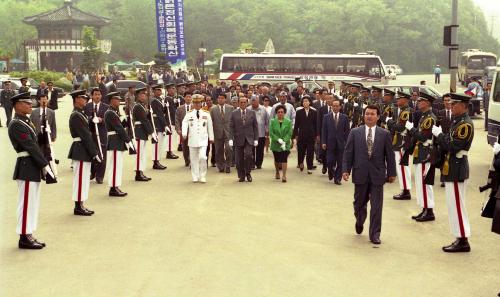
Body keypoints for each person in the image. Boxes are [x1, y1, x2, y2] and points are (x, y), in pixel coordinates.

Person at [342, 105, 397, 245]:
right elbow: (348, 153)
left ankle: (375, 234)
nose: (369, 116)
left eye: (372, 114)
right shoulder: (355, 132)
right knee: (359, 204)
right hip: (360, 173)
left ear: (378, 117)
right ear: (363, 116)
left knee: (377, 206)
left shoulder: (384, 134)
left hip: (378, 175)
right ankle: (360, 220)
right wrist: (345, 170)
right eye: (367, 114)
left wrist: (391, 173)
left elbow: (390, 156)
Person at [8, 92, 54, 249]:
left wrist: (44, 134)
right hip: (27, 166)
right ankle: (23, 236)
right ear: (18, 105)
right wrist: (45, 166)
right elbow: (30, 146)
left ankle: (28, 233)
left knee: (32, 202)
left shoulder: (26, 121)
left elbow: (35, 141)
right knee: (26, 202)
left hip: (32, 165)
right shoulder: (16, 124)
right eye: (26, 103)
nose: (30, 105)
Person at [432, 93, 474, 253]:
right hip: (452, 166)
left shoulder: (465, 125)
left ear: (463, 106)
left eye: (454, 104)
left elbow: (453, 146)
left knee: (457, 204)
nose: (451, 106)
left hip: (457, 167)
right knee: (453, 204)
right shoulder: (457, 122)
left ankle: (463, 239)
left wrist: (439, 135)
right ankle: (459, 236)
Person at [405, 93, 437, 222]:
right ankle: (424, 208)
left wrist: (411, 129)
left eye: (421, 101)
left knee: (424, 184)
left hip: (425, 153)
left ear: (428, 103)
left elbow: (423, 137)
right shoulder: (424, 116)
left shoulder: (429, 118)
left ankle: (429, 211)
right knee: (420, 183)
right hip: (421, 152)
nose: (418, 102)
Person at [68, 90, 99, 216]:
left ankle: (81, 204)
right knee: (80, 179)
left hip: (83, 149)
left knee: (84, 179)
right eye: (83, 98)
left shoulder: (81, 113)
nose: (86, 99)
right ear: (76, 100)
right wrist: (94, 153)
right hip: (80, 149)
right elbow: (85, 136)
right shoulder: (76, 115)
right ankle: (78, 206)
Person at [104, 92, 134, 197]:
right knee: (115, 166)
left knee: (117, 166)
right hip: (115, 141)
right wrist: (128, 140)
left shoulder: (114, 112)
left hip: (117, 141)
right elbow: (119, 128)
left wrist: (126, 119)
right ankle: (113, 187)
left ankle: (115, 186)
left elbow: (121, 125)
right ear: (112, 100)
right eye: (117, 99)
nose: (119, 101)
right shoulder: (110, 113)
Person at [386, 92, 413, 200]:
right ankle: (405, 189)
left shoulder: (406, 112)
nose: (397, 100)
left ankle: (406, 191)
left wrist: (389, 121)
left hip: (402, 142)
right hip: (399, 142)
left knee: (402, 167)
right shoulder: (402, 111)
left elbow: (400, 128)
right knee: (401, 167)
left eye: (399, 99)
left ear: (405, 100)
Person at [182, 94, 214, 183]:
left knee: (203, 157)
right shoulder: (189, 114)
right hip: (192, 139)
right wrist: (184, 133)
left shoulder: (206, 114)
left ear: (201, 103)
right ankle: (195, 176)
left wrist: (211, 137)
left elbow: (210, 126)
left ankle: (202, 175)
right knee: (193, 159)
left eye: (198, 103)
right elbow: (184, 123)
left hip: (203, 139)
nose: (197, 104)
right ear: (193, 103)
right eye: (195, 103)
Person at [229, 96, 259, 182]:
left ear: (247, 103)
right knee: (239, 158)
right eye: (241, 102)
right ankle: (241, 175)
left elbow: (255, 127)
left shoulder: (252, 113)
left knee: (249, 155)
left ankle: (248, 173)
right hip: (238, 138)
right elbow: (231, 127)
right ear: (238, 103)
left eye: (244, 102)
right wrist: (231, 138)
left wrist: (256, 139)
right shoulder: (234, 113)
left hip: (249, 138)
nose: (242, 104)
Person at [322, 97, 350, 184]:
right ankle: (331, 171)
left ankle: (337, 178)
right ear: (331, 107)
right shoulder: (326, 117)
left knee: (340, 162)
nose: (335, 107)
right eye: (334, 106)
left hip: (341, 143)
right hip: (330, 143)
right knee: (330, 161)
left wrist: (347, 143)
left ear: (340, 107)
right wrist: (323, 142)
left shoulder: (345, 118)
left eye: (337, 106)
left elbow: (347, 131)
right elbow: (324, 130)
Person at [84, 88, 109, 184]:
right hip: (91, 134)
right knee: (91, 154)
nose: (97, 96)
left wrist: (101, 120)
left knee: (102, 154)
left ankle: (100, 176)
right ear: (92, 96)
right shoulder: (87, 106)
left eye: (99, 94)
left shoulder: (106, 107)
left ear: (101, 96)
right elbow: (84, 119)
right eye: (95, 94)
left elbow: (109, 120)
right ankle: (92, 172)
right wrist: (91, 119)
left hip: (102, 134)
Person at [30, 93, 58, 176]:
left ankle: (48, 171)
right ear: (39, 101)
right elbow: (31, 124)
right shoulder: (34, 112)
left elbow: (53, 124)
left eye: (45, 99)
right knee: (39, 152)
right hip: (37, 136)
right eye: (42, 99)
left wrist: (53, 135)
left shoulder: (51, 112)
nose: (44, 101)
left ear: (47, 100)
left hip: (47, 137)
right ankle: (40, 170)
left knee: (48, 153)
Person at [133, 87, 154, 181]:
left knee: (142, 153)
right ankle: (138, 173)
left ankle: (141, 171)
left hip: (142, 132)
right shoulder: (138, 106)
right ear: (138, 96)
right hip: (139, 132)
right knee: (139, 154)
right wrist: (151, 132)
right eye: (142, 94)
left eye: (145, 94)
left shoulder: (141, 106)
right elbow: (144, 120)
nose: (144, 96)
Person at [210, 93, 234, 173]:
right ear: (217, 99)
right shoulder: (213, 109)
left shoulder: (230, 108)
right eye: (219, 98)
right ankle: (221, 166)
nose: (220, 99)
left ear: (225, 99)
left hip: (228, 132)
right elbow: (211, 122)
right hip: (217, 132)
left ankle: (228, 165)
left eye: (222, 98)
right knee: (218, 150)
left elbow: (233, 121)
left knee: (229, 149)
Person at [293, 96, 317, 174]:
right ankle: (301, 163)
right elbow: (296, 124)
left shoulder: (314, 112)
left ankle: (309, 167)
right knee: (301, 151)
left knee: (310, 152)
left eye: (306, 101)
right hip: (302, 135)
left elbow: (316, 124)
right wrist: (295, 135)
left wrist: (316, 135)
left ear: (309, 102)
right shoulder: (299, 112)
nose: (305, 103)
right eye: (303, 101)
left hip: (311, 135)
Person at [270, 105, 293, 182]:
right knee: (276, 160)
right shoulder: (273, 121)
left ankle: (284, 175)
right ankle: (277, 172)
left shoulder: (288, 121)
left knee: (284, 159)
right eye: (278, 112)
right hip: (275, 144)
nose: (280, 113)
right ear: (276, 113)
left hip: (285, 144)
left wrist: (284, 141)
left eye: (282, 112)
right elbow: (271, 133)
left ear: (284, 113)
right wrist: (278, 139)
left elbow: (289, 133)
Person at [247, 95, 269, 169]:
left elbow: (267, 121)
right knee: (251, 150)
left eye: (255, 100)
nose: (253, 102)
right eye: (252, 101)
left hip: (261, 133)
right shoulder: (248, 109)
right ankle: (252, 164)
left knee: (260, 150)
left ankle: (259, 164)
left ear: (258, 101)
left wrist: (267, 130)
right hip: (250, 134)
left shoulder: (263, 109)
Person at [149, 84, 168, 170]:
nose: (159, 91)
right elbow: (160, 114)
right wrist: (165, 125)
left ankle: (157, 160)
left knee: (159, 144)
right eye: (157, 90)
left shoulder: (160, 99)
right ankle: (155, 162)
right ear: (153, 91)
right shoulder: (154, 101)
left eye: (160, 90)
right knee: (156, 144)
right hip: (156, 123)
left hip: (159, 123)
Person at [437, 93, 453, 187]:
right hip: (442, 140)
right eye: (445, 100)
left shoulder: (455, 113)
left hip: (451, 141)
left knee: (451, 159)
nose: (447, 102)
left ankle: (450, 176)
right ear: (443, 102)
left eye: (449, 100)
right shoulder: (440, 113)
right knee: (442, 159)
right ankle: (443, 178)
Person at [317, 94, 334, 174]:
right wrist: (318, 134)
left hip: (333, 134)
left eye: (330, 98)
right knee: (324, 151)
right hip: (324, 134)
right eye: (327, 99)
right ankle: (324, 165)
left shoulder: (337, 108)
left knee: (333, 151)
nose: (329, 100)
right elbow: (319, 122)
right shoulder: (321, 109)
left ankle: (332, 167)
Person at [175, 92, 193, 166]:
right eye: (187, 97)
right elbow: (177, 120)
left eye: (190, 97)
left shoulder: (194, 107)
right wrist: (178, 129)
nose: (188, 98)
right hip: (183, 130)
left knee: (192, 146)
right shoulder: (179, 108)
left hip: (193, 130)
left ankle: (192, 160)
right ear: (184, 98)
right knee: (185, 147)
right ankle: (187, 160)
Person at [163, 83, 179, 160]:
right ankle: (169, 152)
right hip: (170, 119)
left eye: (174, 88)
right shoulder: (168, 98)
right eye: (171, 89)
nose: (173, 90)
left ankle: (170, 151)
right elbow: (170, 111)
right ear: (168, 90)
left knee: (172, 137)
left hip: (172, 119)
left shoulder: (171, 98)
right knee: (170, 137)